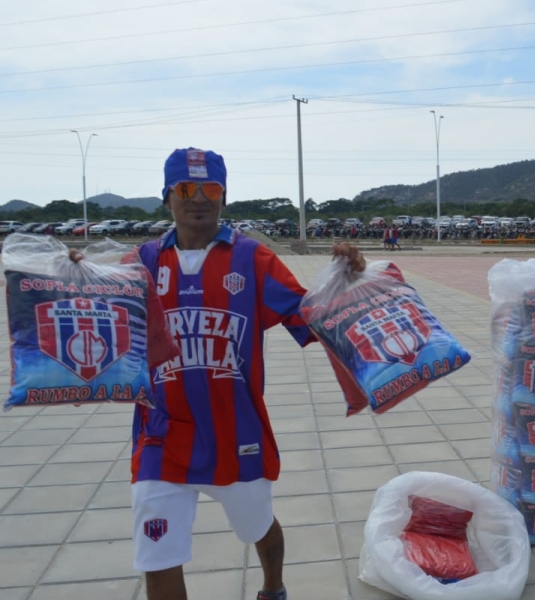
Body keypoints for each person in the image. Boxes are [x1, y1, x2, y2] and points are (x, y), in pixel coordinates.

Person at [73, 148, 365, 600]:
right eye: (186, 189)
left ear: (223, 196)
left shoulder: (253, 259)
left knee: (259, 527)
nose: (198, 199)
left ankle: (273, 586)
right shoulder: (141, 264)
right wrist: (62, 280)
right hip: (161, 436)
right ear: (167, 196)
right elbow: (94, 331)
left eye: (210, 188)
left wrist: (344, 280)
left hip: (237, 433)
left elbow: (310, 320)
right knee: (159, 557)